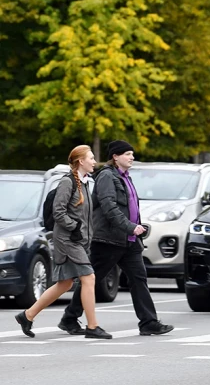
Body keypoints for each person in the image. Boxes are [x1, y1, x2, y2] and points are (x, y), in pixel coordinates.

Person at [58, 140, 174, 336]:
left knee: (139, 279)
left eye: (132, 154)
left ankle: (148, 322)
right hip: (108, 240)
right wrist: (131, 227)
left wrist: (137, 227)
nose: (132, 157)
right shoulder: (106, 177)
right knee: (92, 280)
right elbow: (108, 207)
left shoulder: (126, 177)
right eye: (128, 154)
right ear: (115, 156)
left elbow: (130, 208)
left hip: (128, 240)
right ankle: (70, 318)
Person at [14, 145, 112, 339]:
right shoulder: (68, 183)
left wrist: (85, 235)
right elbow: (59, 212)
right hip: (67, 240)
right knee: (89, 278)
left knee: (65, 284)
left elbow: (85, 216)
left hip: (77, 240)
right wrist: (74, 227)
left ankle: (27, 315)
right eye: (91, 158)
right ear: (80, 161)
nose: (94, 161)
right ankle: (93, 326)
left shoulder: (85, 183)